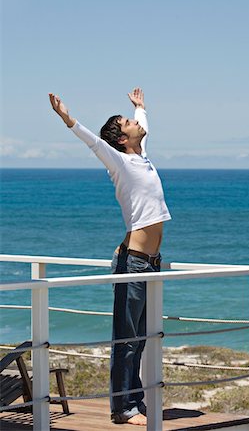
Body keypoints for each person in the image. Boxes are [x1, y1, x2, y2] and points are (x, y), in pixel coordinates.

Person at [49, 88, 171, 425]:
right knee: (126, 340)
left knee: (140, 339)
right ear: (121, 139)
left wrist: (142, 108)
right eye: (128, 122)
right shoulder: (118, 160)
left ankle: (135, 401)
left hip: (150, 263)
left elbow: (144, 130)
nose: (134, 122)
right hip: (133, 262)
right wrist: (67, 119)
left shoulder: (140, 157)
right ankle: (122, 408)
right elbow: (94, 143)